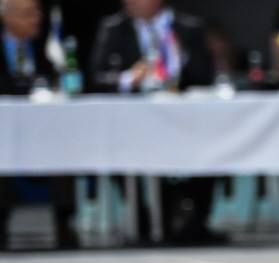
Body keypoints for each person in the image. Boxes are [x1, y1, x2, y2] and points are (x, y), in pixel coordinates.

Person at [90, 0, 223, 245]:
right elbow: (96, 77)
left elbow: (206, 77)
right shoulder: (113, 28)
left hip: (185, 122)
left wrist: (181, 60)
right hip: (132, 126)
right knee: (113, 151)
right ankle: (144, 220)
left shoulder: (188, 28)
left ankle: (195, 221)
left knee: (217, 144)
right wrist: (129, 78)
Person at [0, 0, 77, 250]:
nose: (36, 19)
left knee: (66, 145)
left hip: (41, 128)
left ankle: (64, 220)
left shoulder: (46, 47)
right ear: (7, 18)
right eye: (27, 14)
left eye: (37, 13)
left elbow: (56, 79)